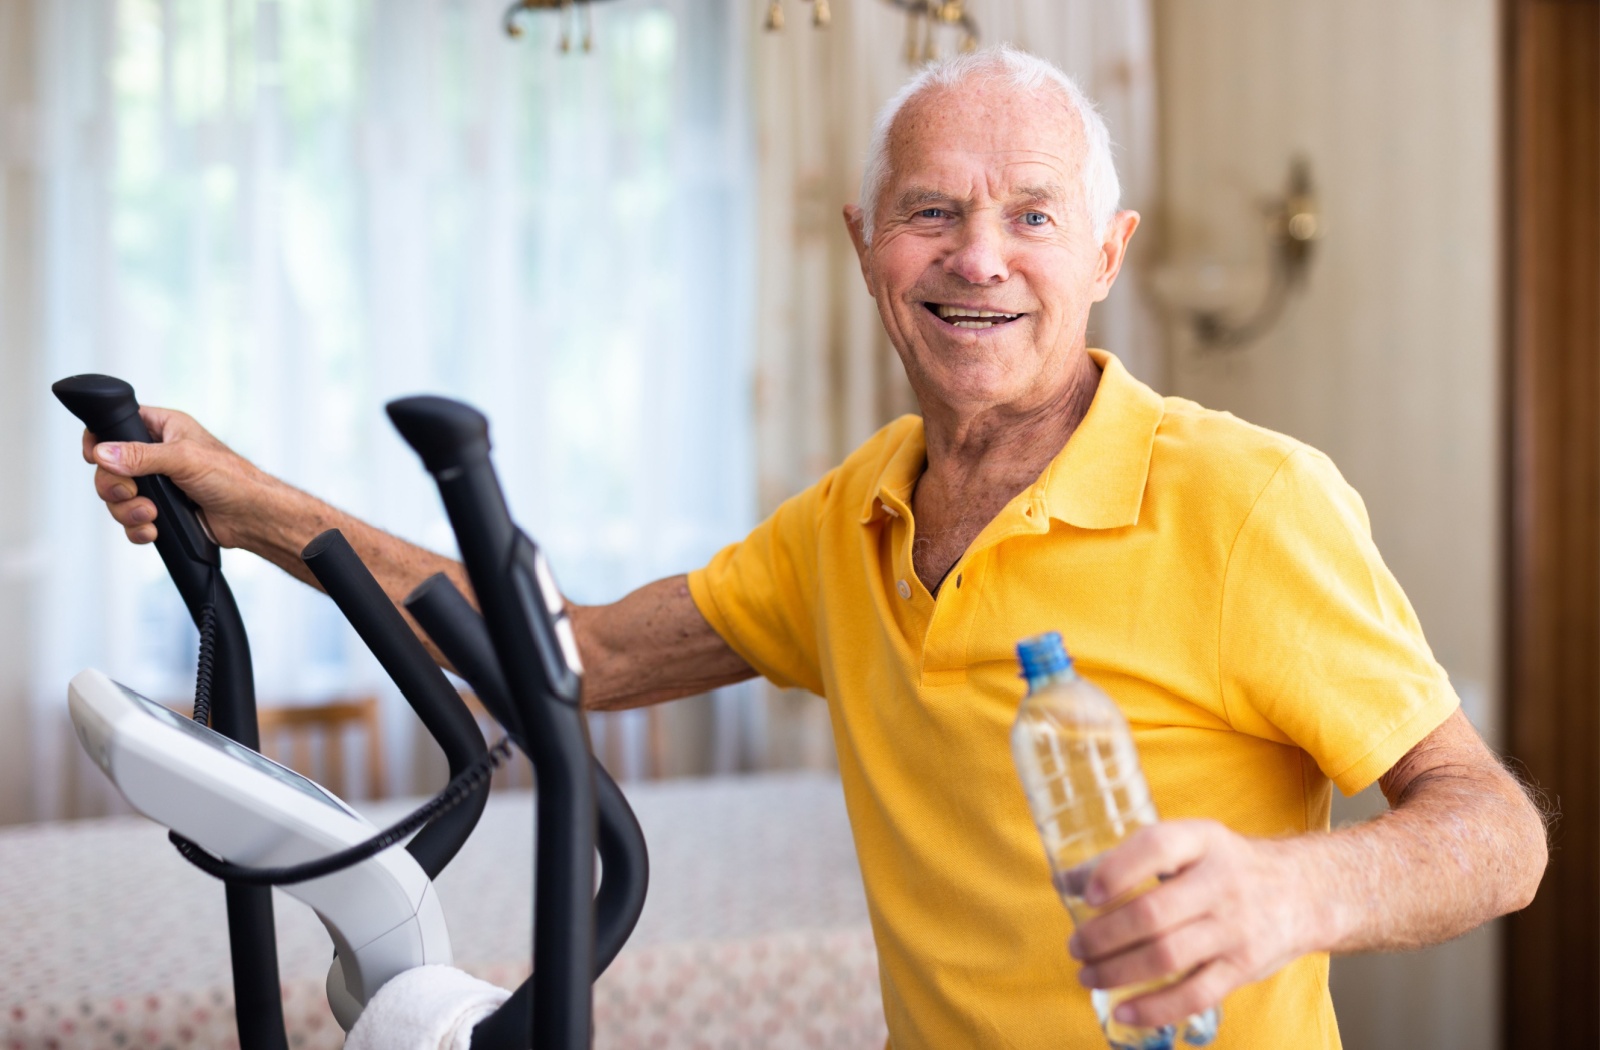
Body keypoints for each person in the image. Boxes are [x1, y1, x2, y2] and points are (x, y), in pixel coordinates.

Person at [82, 46, 1545, 1049]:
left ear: (1106, 254)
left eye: (1034, 216)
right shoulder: (852, 514)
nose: (980, 256)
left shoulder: (1249, 499)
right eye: (934, 212)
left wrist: (1294, 890)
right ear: (866, 245)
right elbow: (565, 653)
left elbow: (1497, 831)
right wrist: (252, 501)